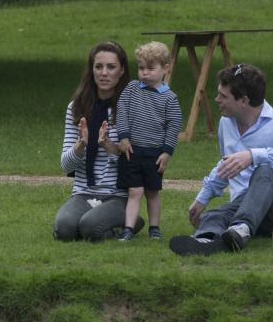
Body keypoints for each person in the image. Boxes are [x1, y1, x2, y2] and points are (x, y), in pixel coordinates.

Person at [169, 64, 273, 256]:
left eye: (223, 96)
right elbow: (226, 164)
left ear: (244, 100)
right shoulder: (226, 122)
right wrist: (203, 197)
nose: (217, 100)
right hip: (243, 205)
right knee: (214, 216)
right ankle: (207, 241)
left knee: (264, 170)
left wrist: (252, 156)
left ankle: (241, 229)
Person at [54, 41, 144, 241]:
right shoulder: (76, 108)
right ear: (91, 70)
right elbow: (65, 165)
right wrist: (81, 144)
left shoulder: (130, 108)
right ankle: (103, 223)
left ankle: (132, 220)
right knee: (64, 230)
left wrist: (109, 147)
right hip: (83, 192)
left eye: (111, 67)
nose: (104, 73)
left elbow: (136, 164)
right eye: (98, 66)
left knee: (90, 227)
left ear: (121, 71)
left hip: (118, 195)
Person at [116, 41, 183, 241]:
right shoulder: (131, 89)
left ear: (165, 69)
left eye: (150, 68)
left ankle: (155, 228)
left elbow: (174, 125)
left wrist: (167, 151)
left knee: (153, 191)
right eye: (141, 68)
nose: (144, 73)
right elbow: (122, 111)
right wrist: (124, 137)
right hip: (132, 151)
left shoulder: (170, 98)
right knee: (134, 190)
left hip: (154, 153)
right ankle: (129, 228)